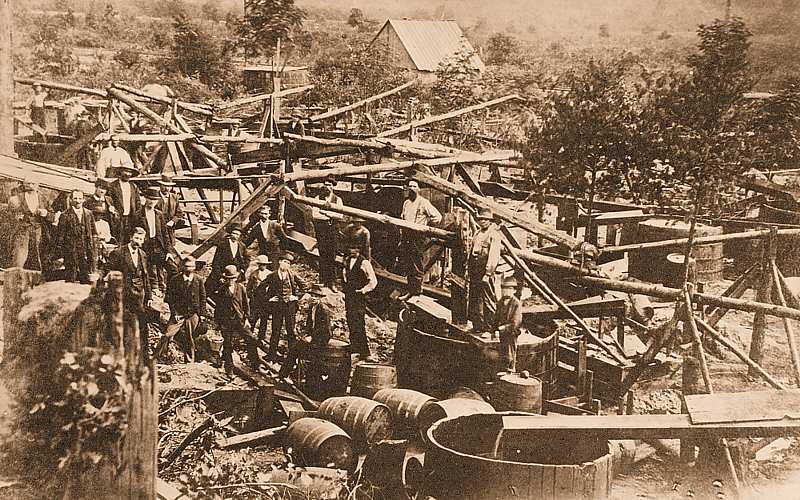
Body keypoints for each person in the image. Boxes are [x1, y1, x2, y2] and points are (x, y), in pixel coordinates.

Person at [107, 227, 152, 358]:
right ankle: (122, 353)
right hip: (123, 295)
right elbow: (109, 271)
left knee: (143, 323)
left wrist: (148, 295)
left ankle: (144, 353)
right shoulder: (119, 253)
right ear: (131, 237)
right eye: (136, 238)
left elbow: (145, 276)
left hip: (139, 295)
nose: (138, 241)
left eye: (141, 239)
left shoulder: (143, 254)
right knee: (124, 323)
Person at [154, 256, 206, 362]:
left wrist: (201, 314)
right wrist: (174, 313)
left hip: (192, 314)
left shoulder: (198, 280)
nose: (189, 269)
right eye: (187, 266)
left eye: (192, 266)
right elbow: (169, 298)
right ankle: (156, 357)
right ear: (183, 267)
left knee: (189, 337)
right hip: (178, 313)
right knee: (167, 335)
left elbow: (202, 297)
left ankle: (190, 360)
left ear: (195, 267)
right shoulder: (175, 280)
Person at [278, 283, 333, 380]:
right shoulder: (312, 307)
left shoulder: (324, 310)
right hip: (312, 337)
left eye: (317, 296)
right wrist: (304, 334)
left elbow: (325, 329)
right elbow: (309, 325)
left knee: (312, 359)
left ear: (320, 298)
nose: (314, 298)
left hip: (321, 339)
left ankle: (301, 376)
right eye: (313, 295)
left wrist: (312, 338)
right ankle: (282, 375)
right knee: (294, 349)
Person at [398, 179, 441, 301]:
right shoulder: (406, 203)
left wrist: (425, 226)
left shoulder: (423, 202)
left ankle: (416, 292)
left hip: (418, 236)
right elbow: (402, 217)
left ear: (418, 189)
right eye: (409, 186)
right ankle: (410, 291)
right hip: (407, 235)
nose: (411, 188)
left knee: (417, 264)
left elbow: (437, 217)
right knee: (408, 264)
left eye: (414, 186)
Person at [213, 264, 260, 376]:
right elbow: (218, 308)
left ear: (236, 278)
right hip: (226, 321)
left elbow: (245, 304)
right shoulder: (221, 290)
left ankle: (255, 365)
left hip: (239, 320)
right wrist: (218, 323)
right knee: (228, 344)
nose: (230, 281)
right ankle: (229, 369)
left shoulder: (241, 288)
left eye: (232, 278)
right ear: (225, 279)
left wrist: (247, 319)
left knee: (251, 339)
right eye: (228, 279)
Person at [259, 252, 307, 361]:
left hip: (290, 307)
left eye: (288, 263)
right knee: (275, 330)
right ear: (280, 262)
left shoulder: (292, 275)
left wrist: (296, 297)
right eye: (284, 262)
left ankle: (292, 358)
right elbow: (260, 288)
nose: (286, 265)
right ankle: (271, 355)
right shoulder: (272, 275)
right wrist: (268, 298)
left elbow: (304, 286)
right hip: (277, 307)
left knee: (291, 331)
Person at [468, 208, 502, 332]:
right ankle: (477, 326)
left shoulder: (494, 235)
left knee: (488, 299)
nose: (482, 221)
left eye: (485, 219)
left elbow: (493, 256)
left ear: (490, 221)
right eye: (480, 219)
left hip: (485, 270)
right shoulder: (477, 233)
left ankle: (490, 328)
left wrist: (488, 273)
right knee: (475, 298)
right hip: (475, 270)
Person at [7, 178, 52, 271]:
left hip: (38, 230)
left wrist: (45, 213)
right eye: (28, 183)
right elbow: (10, 214)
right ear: (24, 184)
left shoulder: (43, 198)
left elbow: (52, 214)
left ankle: (36, 277)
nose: (31, 185)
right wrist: (16, 216)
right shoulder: (18, 198)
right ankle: (16, 275)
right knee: (20, 253)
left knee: (36, 253)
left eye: (33, 183)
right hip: (22, 229)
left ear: (38, 185)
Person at [342, 244, 378, 360]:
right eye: (350, 248)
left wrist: (363, 290)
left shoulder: (364, 263)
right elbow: (344, 275)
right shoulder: (347, 260)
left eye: (354, 248)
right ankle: (354, 347)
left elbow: (373, 281)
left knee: (359, 322)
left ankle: (365, 353)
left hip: (358, 297)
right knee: (351, 320)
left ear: (359, 249)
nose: (351, 250)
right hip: (349, 295)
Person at [311, 176, 344, 289]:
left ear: (333, 187)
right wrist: (329, 215)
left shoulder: (337, 199)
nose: (327, 187)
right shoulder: (317, 198)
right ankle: (323, 281)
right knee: (323, 255)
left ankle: (332, 283)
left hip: (333, 231)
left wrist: (326, 214)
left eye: (329, 185)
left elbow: (340, 215)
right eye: (325, 185)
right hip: (321, 231)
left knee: (332, 256)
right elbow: (314, 215)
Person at [58, 190, 97, 284]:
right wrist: (62, 253)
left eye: (80, 198)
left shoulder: (88, 214)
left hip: (86, 249)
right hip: (71, 249)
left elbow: (94, 232)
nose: (78, 201)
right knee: (71, 276)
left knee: (86, 276)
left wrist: (93, 248)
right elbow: (60, 236)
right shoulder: (65, 215)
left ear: (83, 200)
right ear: (71, 200)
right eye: (75, 198)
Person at [137, 187, 170, 293]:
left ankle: (163, 285)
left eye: (155, 200)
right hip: (145, 244)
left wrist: (168, 250)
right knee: (149, 265)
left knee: (163, 265)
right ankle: (154, 287)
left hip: (158, 243)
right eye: (150, 199)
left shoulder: (159, 214)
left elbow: (165, 234)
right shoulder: (138, 214)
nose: (152, 202)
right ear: (146, 198)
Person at [208, 224, 249, 295]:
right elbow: (216, 261)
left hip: (236, 273)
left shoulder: (242, 246)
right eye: (234, 233)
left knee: (237, 291)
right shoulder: (222, 244)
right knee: (212, 289)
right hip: (223, 272)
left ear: (240, 236)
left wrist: (242, 270)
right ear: (230, 233)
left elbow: (247, 259)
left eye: (237, 234)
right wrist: (220, 275)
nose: (235, 236)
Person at [494, 275, 523, 372]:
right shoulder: (500, 302)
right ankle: (503, 371)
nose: (505, 291)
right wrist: (492, 330)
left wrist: (501, 329)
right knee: (502, 354)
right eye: (504, 288)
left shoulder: (516, 303)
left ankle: (510, 370)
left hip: (511, 333)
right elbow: (496, 318)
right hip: (502, 334)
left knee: (510, 355)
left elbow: (516, 323)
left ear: (514, 291)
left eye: (509, 289)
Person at [108, 164, 141, 243]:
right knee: (118, 239)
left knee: (129, 239)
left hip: (130, 218)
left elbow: (138, 202)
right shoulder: (113, 186)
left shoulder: (133, 186)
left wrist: (136, 214)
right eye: (125, 171)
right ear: (120, 172)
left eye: (130, 172)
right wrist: (113, 210)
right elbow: (108, 200)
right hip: (118, 218)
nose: (128, 174)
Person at [246, 254, 273, 341]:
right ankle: (249, 336)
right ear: (258, 265)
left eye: (265, 264)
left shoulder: (270, 274)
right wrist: (250, 296)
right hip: (255, 300)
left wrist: (270, 298)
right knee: (252, 318)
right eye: (261, 264)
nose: (263, 266)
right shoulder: (254, 274)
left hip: (265, 301)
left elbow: (273, 288)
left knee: (263, 320)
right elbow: (248, 288)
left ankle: (261, 338)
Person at [157, 173, 183, 247]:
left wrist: (172, 221)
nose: (167, 188)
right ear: (160, 185)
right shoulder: (155, 196)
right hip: (158, 228)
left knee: (171, 247)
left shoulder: (174, 197)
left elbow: (179, 213)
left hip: (170, 228)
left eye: (169, 186)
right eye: (165, 185)